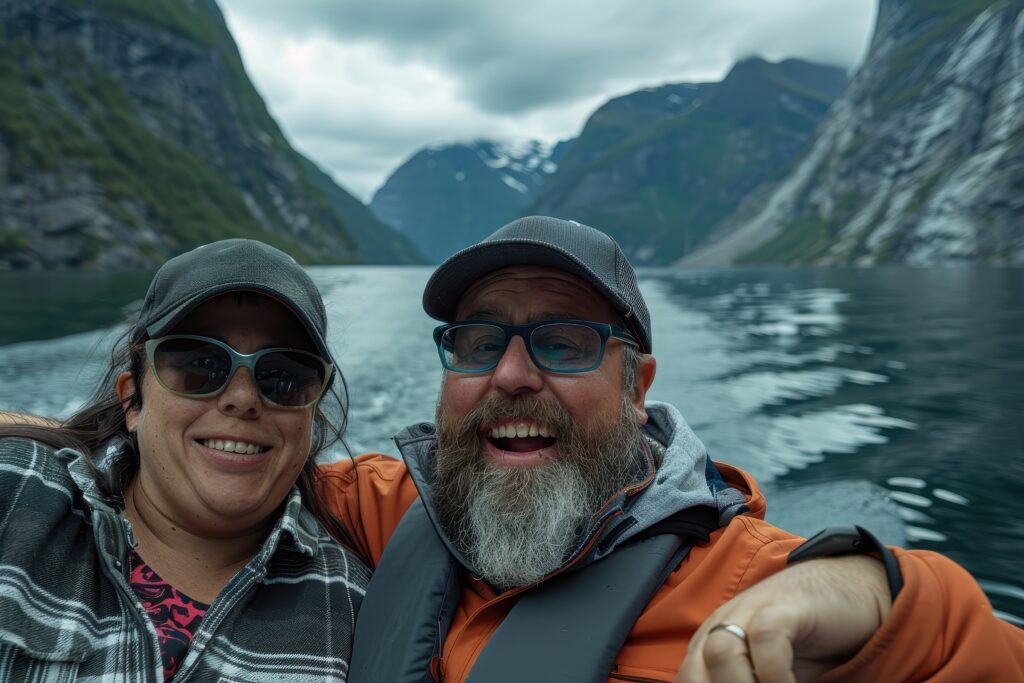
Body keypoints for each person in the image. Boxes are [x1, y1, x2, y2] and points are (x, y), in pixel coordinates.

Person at [320, 216, 1024, 683]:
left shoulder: (749, 594)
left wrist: (880, 592)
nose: (509, 374)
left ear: (637, 389)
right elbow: (244, 471)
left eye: (564, 343)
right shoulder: (386, 505)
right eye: (478, 343)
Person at [0, 239, 371, 681]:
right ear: (133, 403)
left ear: (310, 418)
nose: (242, 398)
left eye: (285, 376)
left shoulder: (354, 606)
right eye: (200, 364)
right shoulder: (16, 491)